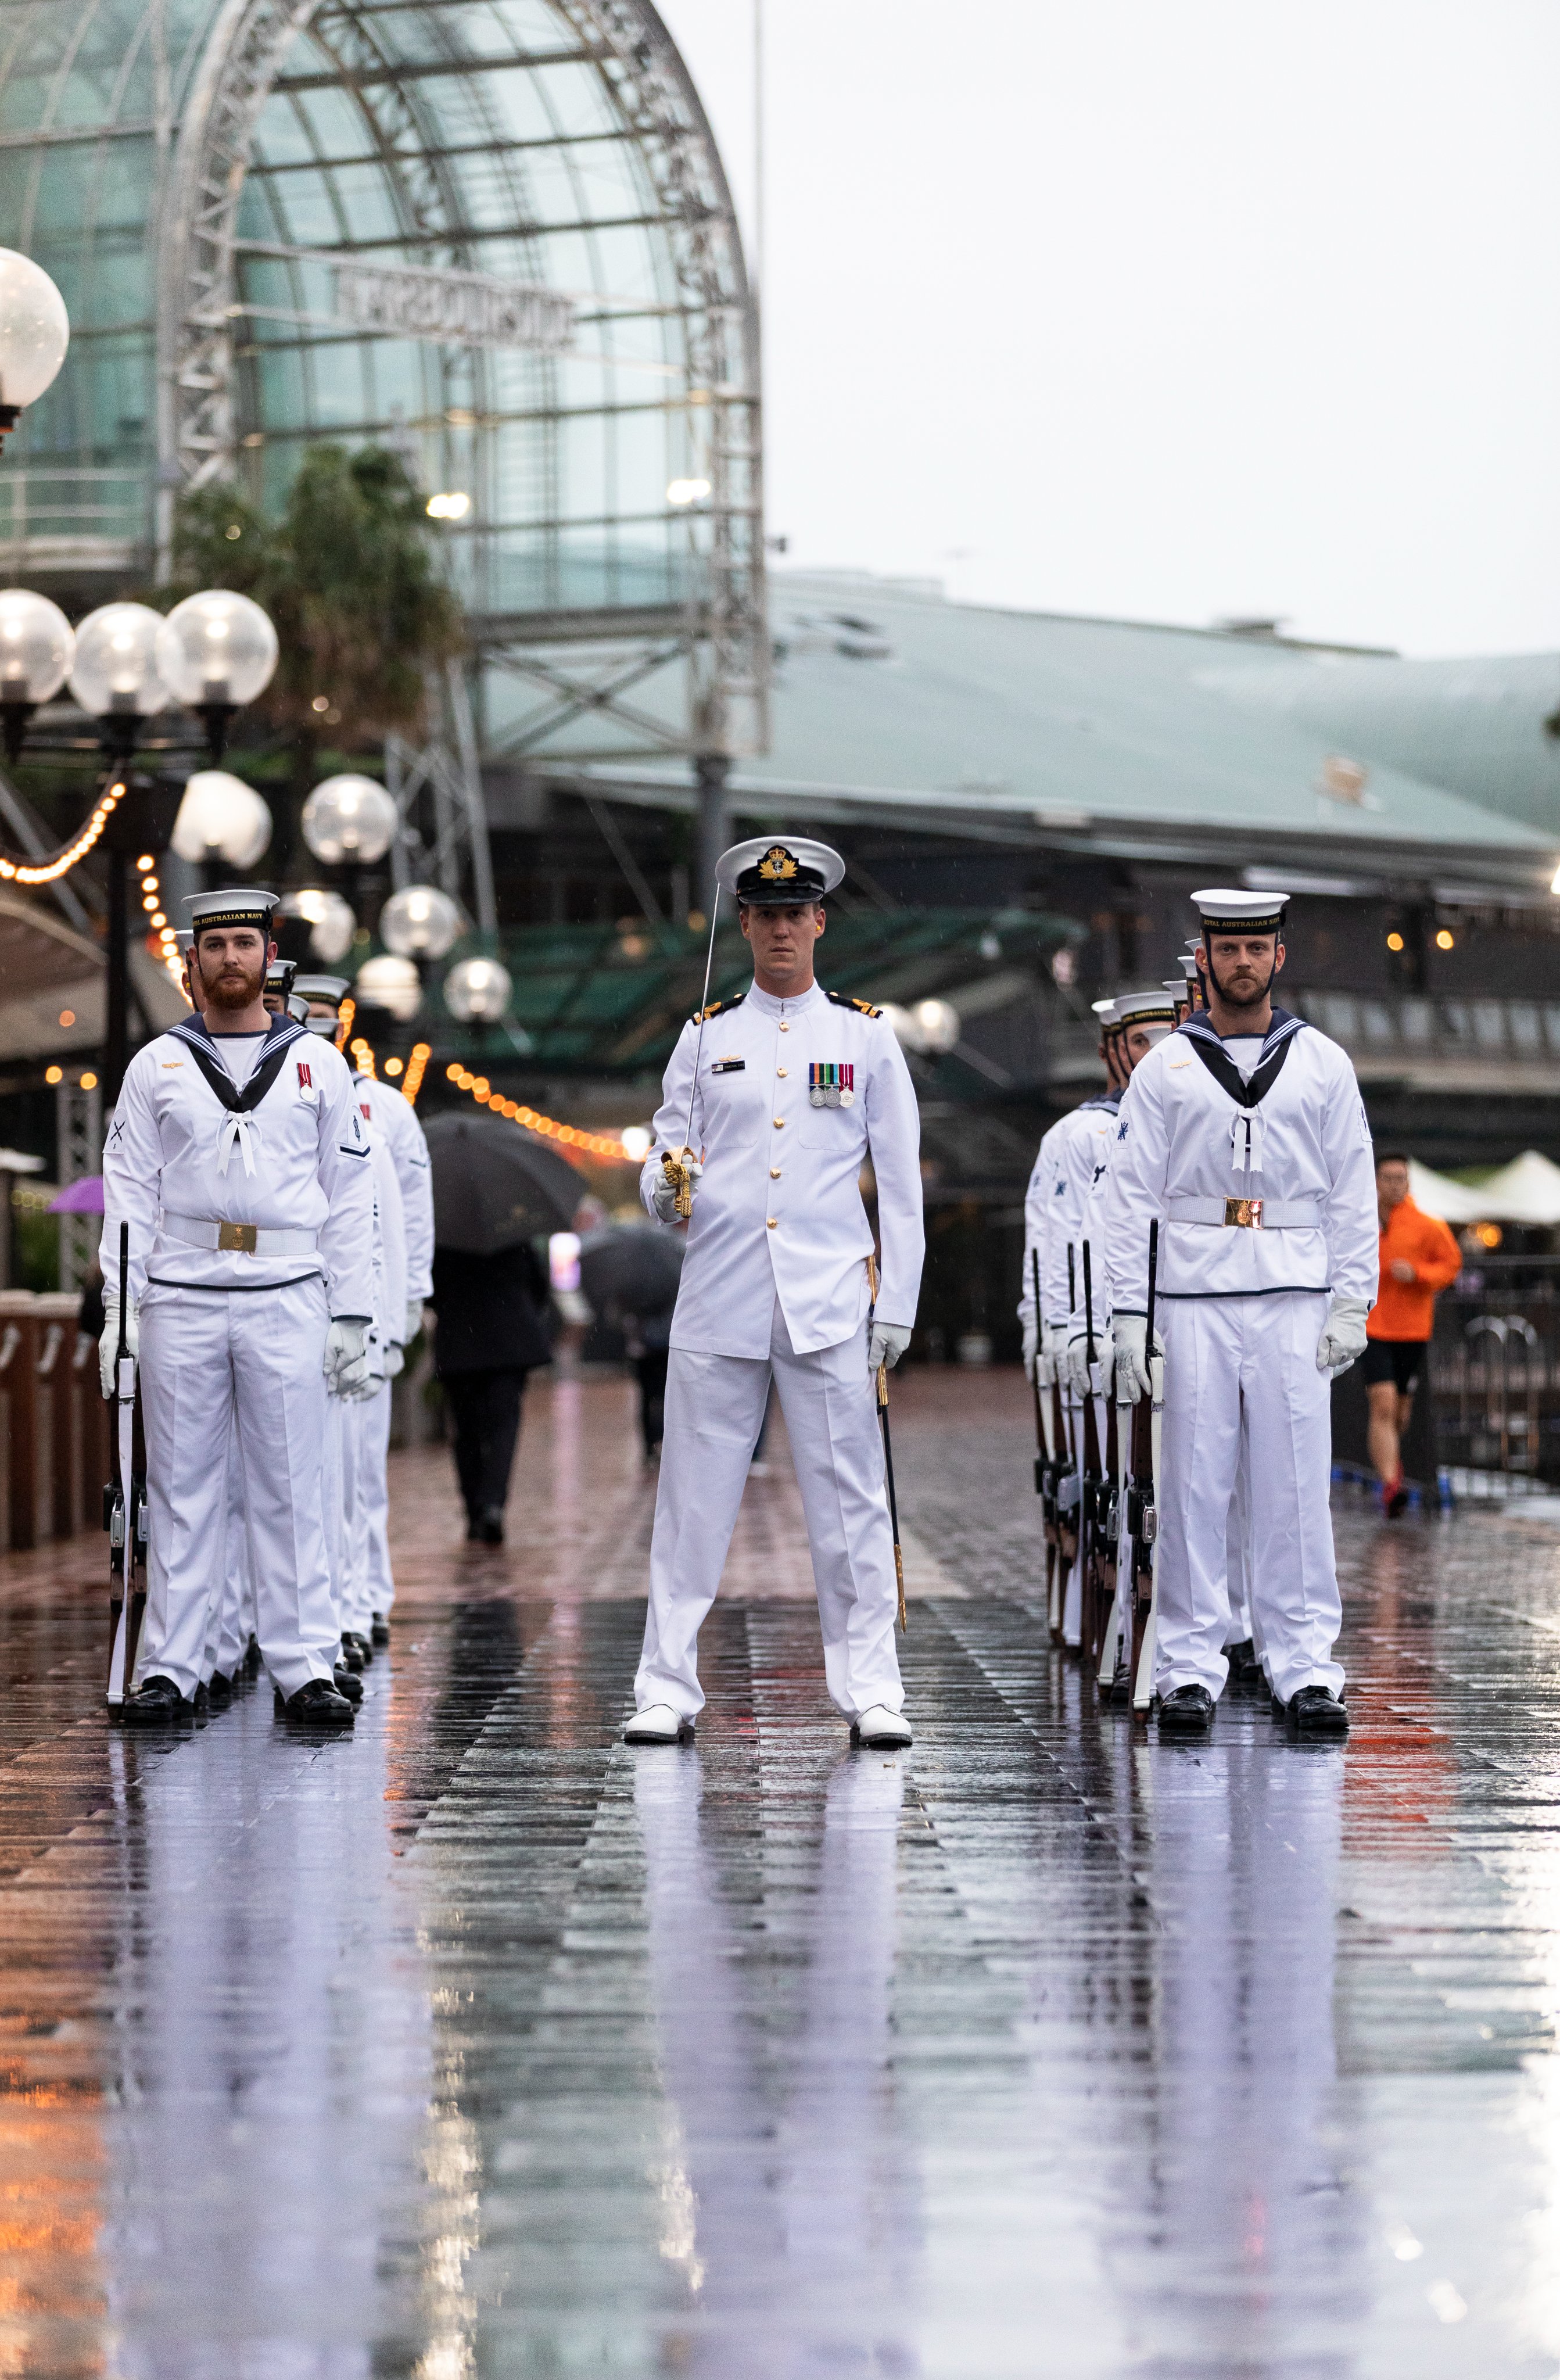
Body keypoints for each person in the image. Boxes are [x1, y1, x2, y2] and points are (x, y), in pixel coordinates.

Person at [626, 836, 924, 1751]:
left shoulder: (864, 1033)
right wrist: (664, 1184)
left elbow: (902, 1182)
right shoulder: (705, 1034)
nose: (783, 928)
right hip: (720, 1297)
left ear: (819, 921)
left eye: (798, 913)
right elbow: (665, 1160)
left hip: (830, 1299)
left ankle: (871, 1687)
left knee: (851, 1504)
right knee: (690, 1504)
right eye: (767, 914)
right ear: (745, 924)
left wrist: (898, 1305)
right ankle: (666, 1686)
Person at [1104, 888, 1377, 1737]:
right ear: (1208, 959)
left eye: (1258, 949)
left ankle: (1304, 1667)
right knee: (1193, 1482)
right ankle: (1190, 1664)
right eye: (1229, 950)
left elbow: (1353, 1188)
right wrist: (1124, 1314)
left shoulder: (1324, 1062)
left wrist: (1353, 1298)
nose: (1244, 963)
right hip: (1192, 1295)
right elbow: (1127, 1199)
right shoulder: (1166, 1068)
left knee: (1295, 1486)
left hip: (1294, 1293)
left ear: (1278, 958)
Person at [100, 887, 375, 1729]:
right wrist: (122, 1308)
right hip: (182, 1294)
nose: (229, 959)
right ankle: (171, 1668)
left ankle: (304, 1666)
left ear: (267, 956)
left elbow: (351, 1192)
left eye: (244, 944)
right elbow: (128, 1195)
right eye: (214, 945)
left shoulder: (318, 1064)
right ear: (193, 962)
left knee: (292, 1487)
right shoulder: (157, 1064)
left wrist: (352, 1315)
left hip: (287, 1292)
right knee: (181, 1489)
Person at [297, 976, 436, 1639]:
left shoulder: (383, 1107)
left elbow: (409, 1211)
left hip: (367, 1306)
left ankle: (365, 1595)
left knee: (359, 1471)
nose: (314, 1026)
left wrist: (412, 1293)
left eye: (324, 1018)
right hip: (296, 1299)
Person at [429, 1236, 553, 1542]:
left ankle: (474, 1510)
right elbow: (539, 1288)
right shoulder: (514, 1236)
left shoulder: (445, 1240)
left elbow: (430, 1293)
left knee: (466, 1431)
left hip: (460, 1347)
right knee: (503, 1427)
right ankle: (493, 1504)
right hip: (508, 1346)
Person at [1366, 1152, 1461, 1517]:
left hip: (1412, 1330)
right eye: (1388, 1177)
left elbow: (1451, 1266)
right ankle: (1392, 1486)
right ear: (1375, 1181)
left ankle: (1396, 1472)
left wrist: (1419, 1273)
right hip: (1371, 1326)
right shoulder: (1360, 1219)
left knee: (1401, 1415)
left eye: (1401, 1178)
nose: (1394, 1185)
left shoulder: (1427, 1225)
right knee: (1383, 1405)